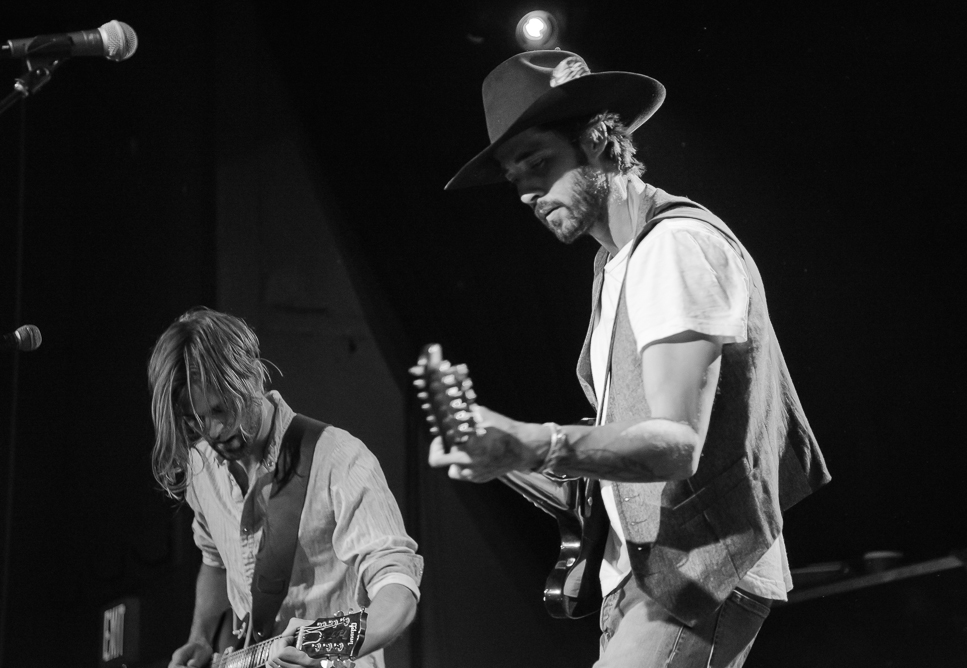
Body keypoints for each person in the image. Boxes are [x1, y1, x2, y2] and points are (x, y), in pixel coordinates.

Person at [430, 50, 830, 667]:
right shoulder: (615, 263)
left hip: (700, 568)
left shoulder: (673, 248)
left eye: (539, 164)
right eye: (516, 179)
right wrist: (501, 453)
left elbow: (676, 444)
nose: (528, 194)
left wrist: (536, 441)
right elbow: (626, 456)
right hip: (643, 572)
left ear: (598, 142)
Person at [149, 307, 422, 668]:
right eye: (196, 420)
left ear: (251, 377)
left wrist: (328, 643)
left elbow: (398, 592)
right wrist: (199, 636)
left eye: (221, 409)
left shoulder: (340, 459)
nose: (214, 431)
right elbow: (215, 560)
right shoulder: (203, 472)